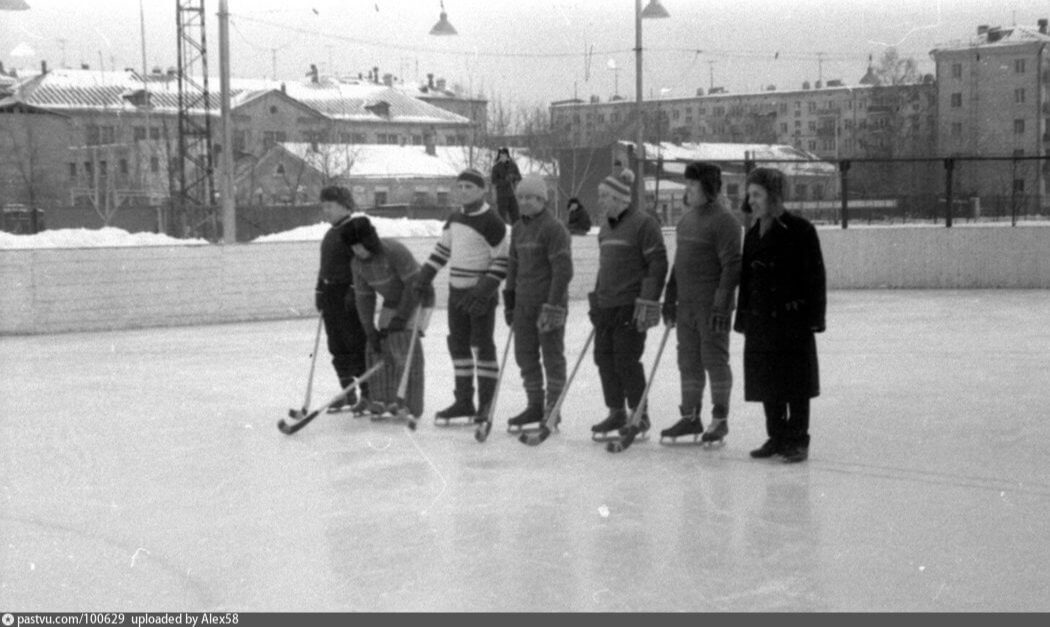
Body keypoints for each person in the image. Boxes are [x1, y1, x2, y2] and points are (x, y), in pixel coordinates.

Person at [734, 167, 826, 463]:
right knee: (767, 381)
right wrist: (743, 318)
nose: (752, 201)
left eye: (757, 194)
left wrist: (815, 317)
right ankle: (776, 436)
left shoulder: (800, 231)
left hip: (792, 321)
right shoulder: (751, 235)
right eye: (750, 195)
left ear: (774, 196)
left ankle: (797, 439)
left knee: (795, 383)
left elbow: (815, 277)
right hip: (761, 321)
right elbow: (746, 281)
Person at [415, 168, 510, 424]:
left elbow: (502, 262)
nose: (465, 191)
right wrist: (423, 278)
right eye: (461, 186)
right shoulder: (454, 218)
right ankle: (464, 401)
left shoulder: (493, 221)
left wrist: (482, 292)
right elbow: (441, 251)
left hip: (481, 296)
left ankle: (486, 404)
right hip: (457, 295)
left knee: (481, 346)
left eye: (470, 187)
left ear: (482, 190)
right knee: (458, 346)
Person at [660, 162, 742, 445]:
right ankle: (690, 417)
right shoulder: (686, 220)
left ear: (708, 187)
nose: (688, 190)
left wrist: (721, 305)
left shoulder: (726, 221)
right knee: (688, 361)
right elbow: (678, 264)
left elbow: (731, 266)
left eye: (693, 185)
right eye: (687, 185)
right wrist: (670, 298)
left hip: (711, 306)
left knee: (714, 360)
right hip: (687, 306)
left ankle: (719, 419)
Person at [588, 172, 668, 440]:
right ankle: (616, 411)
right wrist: (596, 299)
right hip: (607, 305)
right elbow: (604, 267)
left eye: (603, 196)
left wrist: (648, 299)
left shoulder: (644, 224)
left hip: (630, 305)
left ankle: (639, 413)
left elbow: (657, 264)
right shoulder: (605, 227)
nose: (599, 201)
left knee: (625, 359)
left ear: (620, 197)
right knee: (604, 357)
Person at [344, 215, 434, 420]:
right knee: (376, 347)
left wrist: (401, 318)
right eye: (353, 248)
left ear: (370, 241)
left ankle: (410, 404)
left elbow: (414, 286)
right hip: (394, 301)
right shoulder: (357, 265)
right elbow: (364, 298)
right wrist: (370, 330)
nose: (357, 251)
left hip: (420, 295)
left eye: (360, 246)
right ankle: (384, 400)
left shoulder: (394, 251)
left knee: (401, 342)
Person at [502, 175, 574, 432]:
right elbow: (513, 265)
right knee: (525, 355)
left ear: (542, 199)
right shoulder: (518, 228)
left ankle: (553, 408)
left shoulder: (554, 229)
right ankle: (534, 404)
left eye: (530, 197)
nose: (524, 202)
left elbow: (563, 270)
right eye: (520, 197)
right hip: (523, 304)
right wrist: (509, 299)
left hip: (548, 304)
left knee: (552, 356)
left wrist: (553, 304)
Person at [313, 185, 369, 412]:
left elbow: (363, 263)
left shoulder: (353, 230)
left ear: (345, 206)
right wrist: (319, 290)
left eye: (330, 206)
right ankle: (348, 393)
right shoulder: (330, 233)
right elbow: (324, 266)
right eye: (323, 206)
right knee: (336, 344)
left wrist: (354, 289)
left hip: (348, 295)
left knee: (355, 344)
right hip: (331, 295)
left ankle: (368, 393)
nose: (325, 210)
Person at [490, 147, 522, 224]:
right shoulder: (496, 167)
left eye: (504, 155)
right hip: (501, 195)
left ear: (507, 156)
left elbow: (519, 177)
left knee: (515, 215)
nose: (502, 158)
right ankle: (503, 232)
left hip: (511, 194)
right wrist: (505, 181)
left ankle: (517, 230)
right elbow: (494, 181)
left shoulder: (513, 165)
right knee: (502, 217)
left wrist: (513, 177)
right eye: (500, 156)